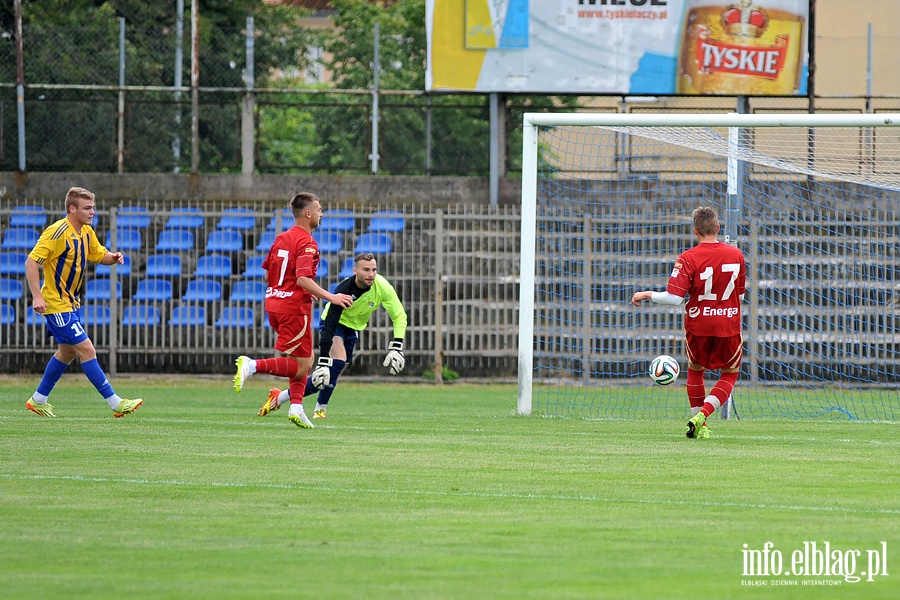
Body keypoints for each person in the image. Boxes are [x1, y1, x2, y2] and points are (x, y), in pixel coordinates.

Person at [232, 192, 353, 428]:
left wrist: (283, 291)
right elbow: (302, 279)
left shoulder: (281, 238)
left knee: (304, 360)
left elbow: (268, 274)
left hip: (275, 304)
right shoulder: (307, 242)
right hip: (294, 308)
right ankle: (252, 365)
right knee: (301, 365)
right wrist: (331, 297)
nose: (321, 213)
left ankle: (296, 407)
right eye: (319, 209)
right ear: (308, 214)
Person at [24, 187, 143, 418]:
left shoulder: (86, 232)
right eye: (87, 208)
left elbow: (99, 255)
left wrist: (114, 257)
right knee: (87, 349)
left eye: (93, 207)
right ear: (72, 209)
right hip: (56, 304)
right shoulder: (57, 233)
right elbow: (31, 262)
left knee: (67, 352)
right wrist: (37, 296)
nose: (93, 212)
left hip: (71, 304)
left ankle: (38, 399)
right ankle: (115, 403)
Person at [631, 206, 746, 439]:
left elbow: (674, 298)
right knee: (730, 373)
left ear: (695, 231)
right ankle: (702, 416)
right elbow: (741, 296)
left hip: (698, 324)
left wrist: (648, 294)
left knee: (696, 370)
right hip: (728, 325)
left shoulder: (688, 257)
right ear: (718, 228)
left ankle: (700, 427)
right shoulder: (736, 255)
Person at [256, 252, 408, 420]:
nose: (371, 274)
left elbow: (399, 316)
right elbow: (330, 324)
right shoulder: (344, 289)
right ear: (355, 271)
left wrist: (397, 346)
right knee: (337, 362)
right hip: (333, 324)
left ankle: (282, 397)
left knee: (332, 372)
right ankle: (319, 409)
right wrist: (323, 358)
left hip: (354, 328)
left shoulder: (383, 287)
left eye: (374, 270)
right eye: (366, 270)